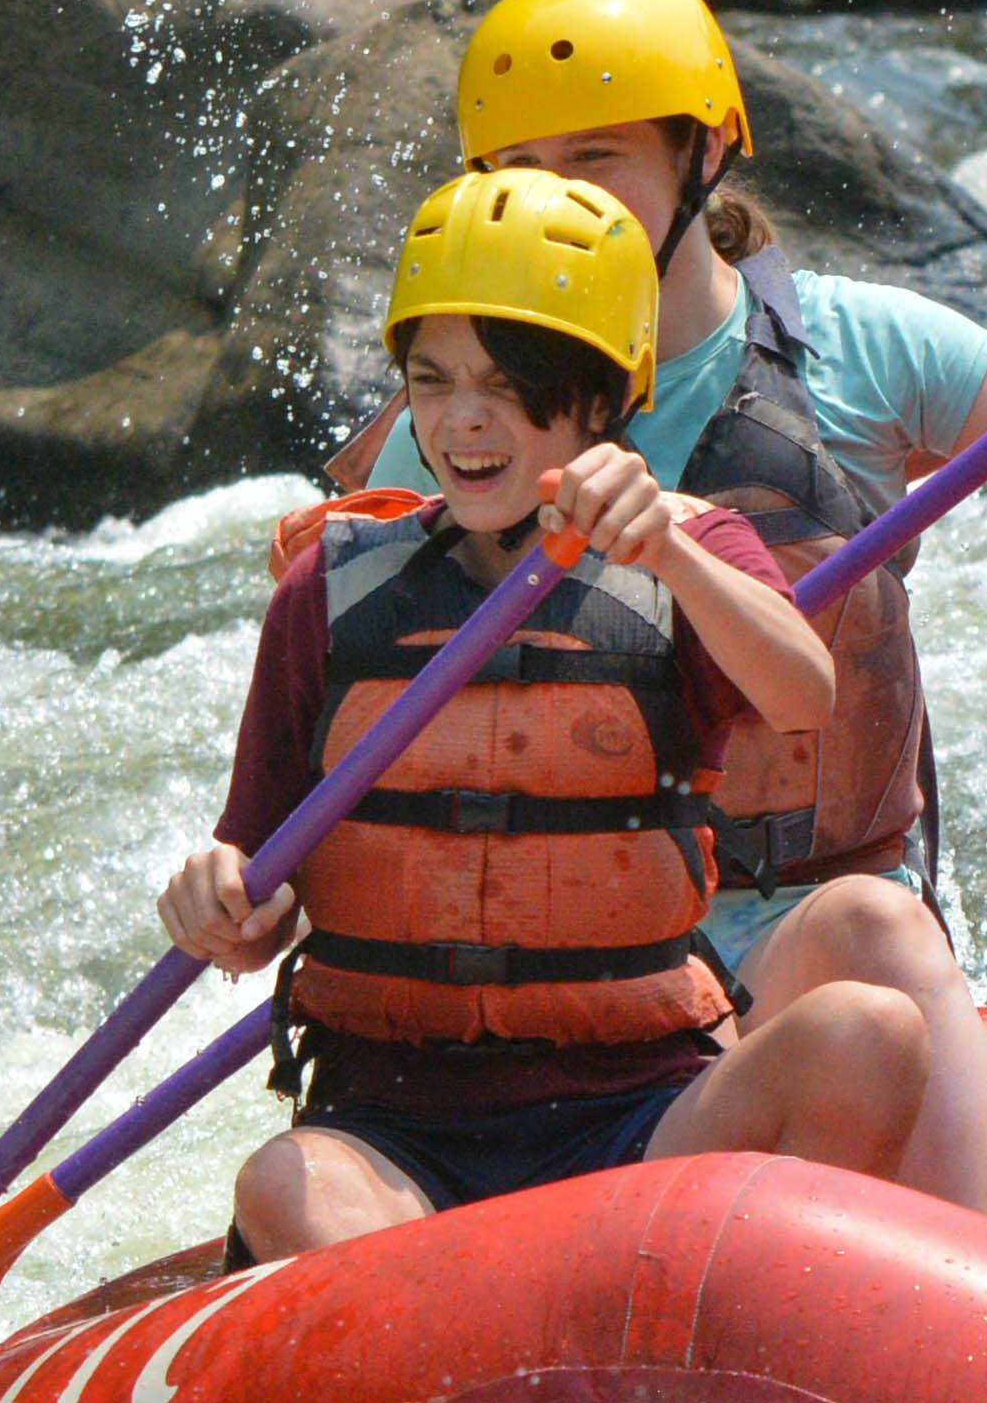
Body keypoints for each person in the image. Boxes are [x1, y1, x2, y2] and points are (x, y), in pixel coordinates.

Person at [367, 0, 987, 1227]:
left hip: (798, 925)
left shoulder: (869, 349)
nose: (566, 199)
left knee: (877, 931)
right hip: (571, 958)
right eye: (523, 166)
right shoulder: (445, 433)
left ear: (708, 155)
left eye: (601, 157)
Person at [171, 170, 931, 1265]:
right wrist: (218, 904)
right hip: (393, 1131)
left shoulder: (694, 552)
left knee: (869, 1034)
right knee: (282, 1185)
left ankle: (720, 1335)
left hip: (638, 1115)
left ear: (604, 400)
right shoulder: (329, 590)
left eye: (508, 381)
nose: (462, 419)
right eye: (429, 382)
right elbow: (257, 884)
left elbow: (799, 693)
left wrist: (665, 543)